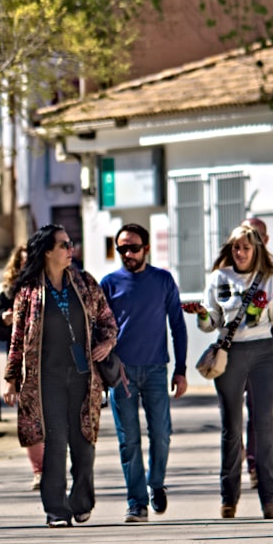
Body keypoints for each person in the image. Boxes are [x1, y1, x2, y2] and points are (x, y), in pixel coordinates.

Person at [184, 225, 273, 520]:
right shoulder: (218, 278)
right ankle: (229, 498)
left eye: (246, 248)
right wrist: (202, 315)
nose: (240, 253)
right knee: (231, 427)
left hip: (263, 355)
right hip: (230, 356)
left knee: (264, 427)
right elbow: (211, 323)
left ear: (256, 250)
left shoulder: (269, 279)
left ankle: (269, 499)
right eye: (236, 247)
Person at [3, 225, 118, 528]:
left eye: (70, 244)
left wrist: (106, 343)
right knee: (54, 442)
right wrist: (11, 378)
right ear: (47, 252)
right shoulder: (28, 292)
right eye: (64, 245)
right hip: (46, 379)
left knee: (84, 441)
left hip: (83, 376)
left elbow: (108, 320)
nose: (70, 250)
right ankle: (56, 510)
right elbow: (17, 339)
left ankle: (81, 501)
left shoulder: (85, 283)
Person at [100, 223, 188, 523]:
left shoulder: (163, 280)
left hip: (155, 370)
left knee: (161, 434)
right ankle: (136, 502)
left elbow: (178, 326)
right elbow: (98, 330)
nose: (128, 253)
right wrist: (103, 372)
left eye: (133, 248)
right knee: (129, 440)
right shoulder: (109, 284)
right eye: (122, 248)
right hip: (120, 373)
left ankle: (156, 483)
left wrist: (181, 369)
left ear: (146, 249)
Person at [240, 217, 273, 490]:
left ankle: (255, 465)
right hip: (233, 349)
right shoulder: (226, 268)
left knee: (259, 411)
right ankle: (236, 454)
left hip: (262, 347)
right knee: (231, 413)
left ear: (266, 240)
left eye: (256, 235)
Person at [0, 244, 43, 490]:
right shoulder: (7, 291)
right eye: (22, 261)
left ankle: (54, 467)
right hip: (21, 361)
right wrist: (4, 321)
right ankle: (39, 471)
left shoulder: (47, 286)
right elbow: (0, 333)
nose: (26, 266)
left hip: (48, 360)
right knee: (29, 420)